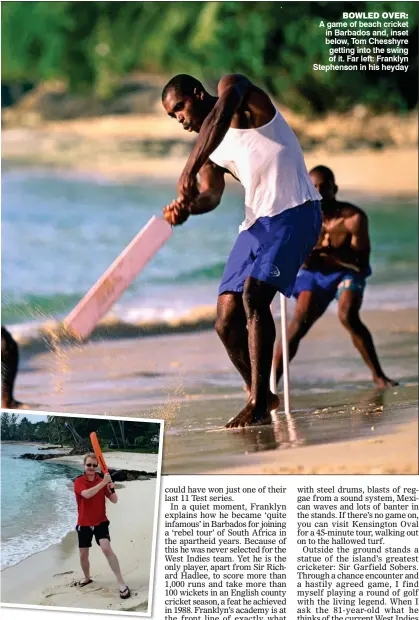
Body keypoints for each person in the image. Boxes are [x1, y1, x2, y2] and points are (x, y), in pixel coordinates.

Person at [161, 73, 322, 427]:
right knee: (225, 320)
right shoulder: (210, 153)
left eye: (180, 108)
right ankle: (260, 392)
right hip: (256, 224)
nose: (180, 120)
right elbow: (211, 195)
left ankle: (258, 406)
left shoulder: (238, 98)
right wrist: (188, 207)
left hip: (295, 213)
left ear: (198, 94)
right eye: (173, 117)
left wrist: (186, 168)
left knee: (255, 295)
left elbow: (222, 111)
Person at [274, 165, 397, 389]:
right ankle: (268, 383)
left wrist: (334, 254)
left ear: (335, 188)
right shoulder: (300, 219)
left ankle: (378, 376)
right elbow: (298, 260)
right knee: (298, 323)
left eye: (324, 186)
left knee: (347, 315)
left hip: (346, 271)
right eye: (313, 187)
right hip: (314, 274)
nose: (319, 191)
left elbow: (361, 263)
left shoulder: (353, 218)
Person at [73, 453, 130, 599]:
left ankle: (121, 583)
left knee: (106, 548)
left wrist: (111, 487)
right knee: (83, 555)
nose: (91, 468)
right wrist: (104, 483)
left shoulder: (101, 480)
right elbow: (86, 494)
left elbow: (114, 500)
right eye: (89, 465)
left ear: (97, 466)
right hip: (84, 523)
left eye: (94, 465)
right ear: (84, 466)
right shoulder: (79, 481)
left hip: (100, 522)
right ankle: (87, 577)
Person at [1, 326, 24, 409]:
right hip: (7, 346)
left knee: (8, 378)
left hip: (8, 347)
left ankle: (7, 402)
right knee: (8, 378)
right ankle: (7, 402)